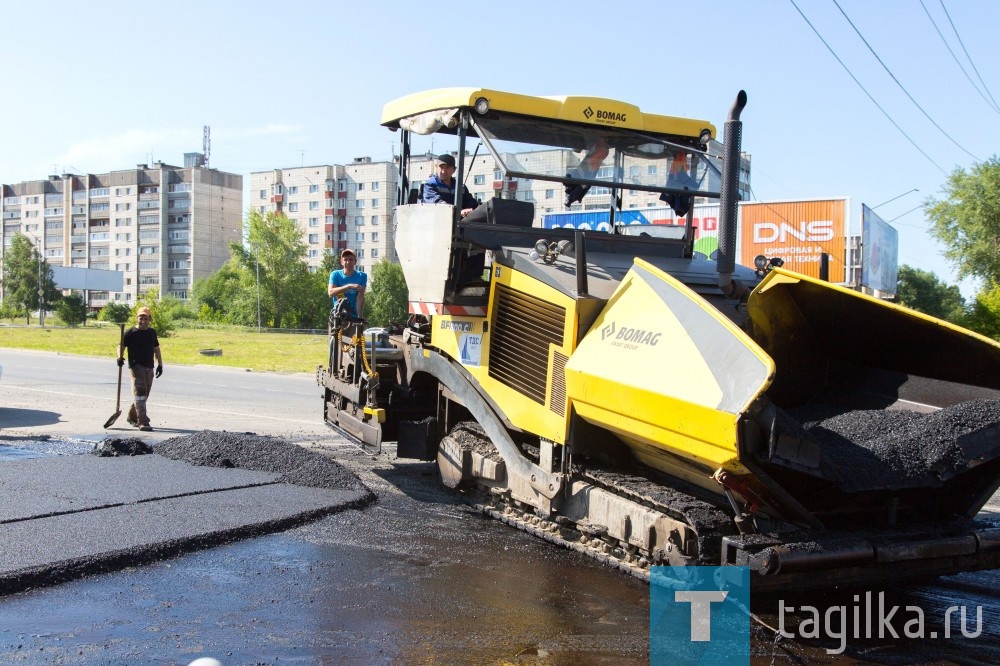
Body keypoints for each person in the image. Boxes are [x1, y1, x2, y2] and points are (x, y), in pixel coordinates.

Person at [117, 306, 163, 432]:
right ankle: (143, 422)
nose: (143, 321)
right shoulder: (131, 332)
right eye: (141, 318)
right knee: (140, 394)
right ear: (137, 318)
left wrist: (160, 364)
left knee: (144, 395)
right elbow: (121, 346)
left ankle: (132, 416)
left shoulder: (152, 332)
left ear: (150, 319)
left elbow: (156, 349)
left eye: (146, 318)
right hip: (136, 366)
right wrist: (119, 357)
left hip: (149, 367)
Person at [422, 154, 480, 219]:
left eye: (447, 168)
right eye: (441, 167)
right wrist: (459, 212)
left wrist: (470, 210)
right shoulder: (430, 185)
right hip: (436, 223)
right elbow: (437, 204)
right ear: (436, 167)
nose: (443, 171)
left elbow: (471, 203)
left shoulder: (461, 187)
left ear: (454, 170)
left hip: (456, 224)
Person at [328, 248, 367, 320]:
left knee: (356, 329)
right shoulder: (335, 274)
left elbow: (360, 297)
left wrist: (360, 317)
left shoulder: (362, 276)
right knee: (335, 330)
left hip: (353, 316)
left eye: (351, 259)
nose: (348, 262)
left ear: (355, 261)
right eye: (345, 259)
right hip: (337, 315)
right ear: (341, 262)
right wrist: (349, 286)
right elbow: (331, 293)